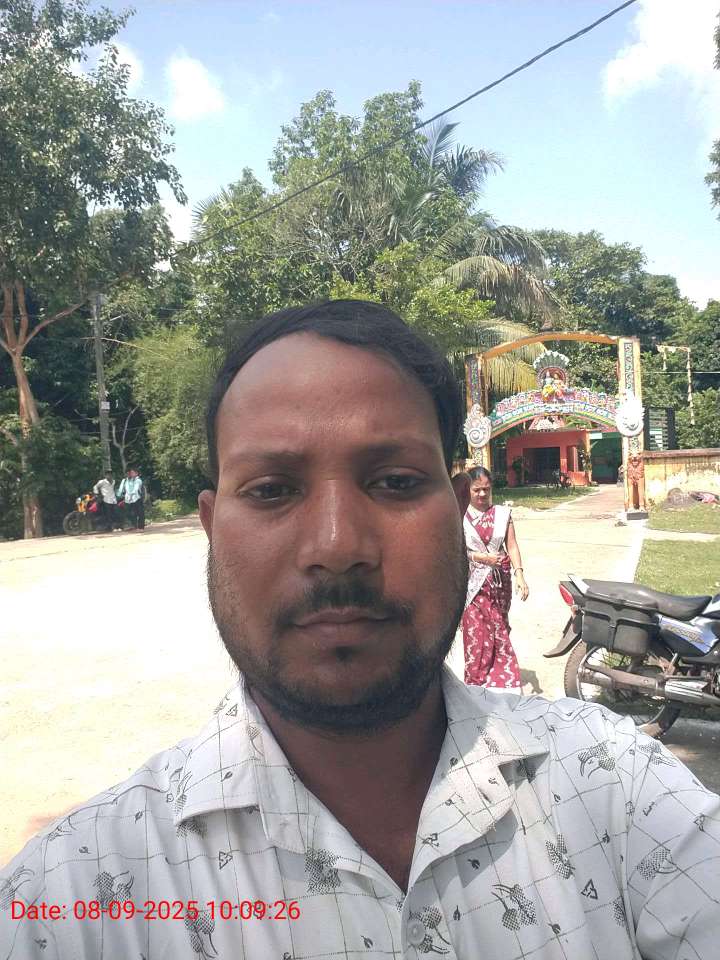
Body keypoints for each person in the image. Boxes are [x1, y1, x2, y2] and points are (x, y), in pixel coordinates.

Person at [1, 300, 717, 960]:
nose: (338, 545)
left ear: (457, 508)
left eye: (395, 481)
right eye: (272, 490)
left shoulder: (618, 787)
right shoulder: (69, 898)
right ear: (214, 529)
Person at [462, 466, 528, 690]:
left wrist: (520, 575)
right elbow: (454, 550)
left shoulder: (502, 514)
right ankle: (476, 684)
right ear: (468, 490)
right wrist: (478, 557)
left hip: (500, 584)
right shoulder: (460, 516)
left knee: (498, 629)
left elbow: (512, 546)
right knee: (477, 633)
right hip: (472, 586)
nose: (482, 494)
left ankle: (500, 684)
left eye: (486, 489)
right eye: (476, 490)